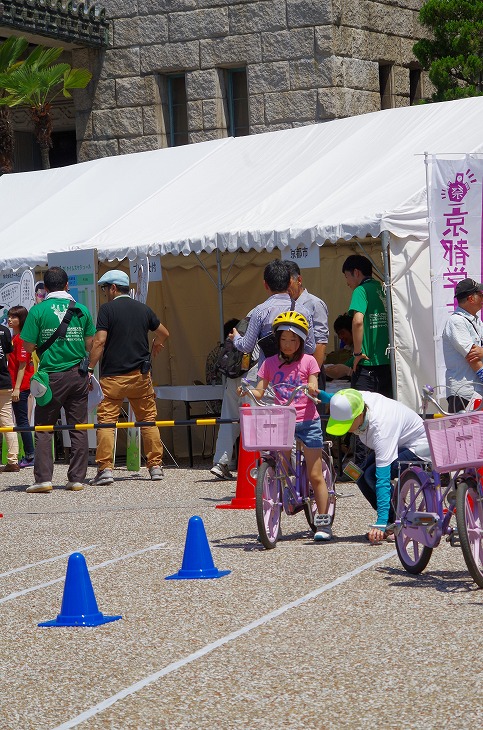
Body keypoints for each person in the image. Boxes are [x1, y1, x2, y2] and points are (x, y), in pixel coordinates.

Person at [246, 311, 332, 541]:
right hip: (281, 420)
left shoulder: (309, 361)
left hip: (307, 421)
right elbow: (260, 390)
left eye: (293, 340)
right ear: (277, 339)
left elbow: (313, 381)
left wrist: (312, 388)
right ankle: (276, 517)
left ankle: (323, 521)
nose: (288, 344)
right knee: (280, 471)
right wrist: (247, 390)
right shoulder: (270, 363)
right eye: (283, 339)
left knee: (315, 475)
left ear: (301, 341)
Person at [87, 270, 169, 485]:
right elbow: (164, 333)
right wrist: (157, 344)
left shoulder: (107, 310)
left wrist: (89, 368)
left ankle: (105, 469)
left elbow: (99, 341)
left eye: (105, 288)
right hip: (140, 376)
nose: (105, 293)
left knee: (106, 422)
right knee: (148, 420)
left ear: (113, 288)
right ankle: (156, 467)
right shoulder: (143, 309)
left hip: (113, 378)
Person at [21, 266, 96, 492]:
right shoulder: (81, 309)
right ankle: (76, 479)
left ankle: (44, 479)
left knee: (44, 427)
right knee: (79, 426)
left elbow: (27, 345)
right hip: (78, 374)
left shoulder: (38, 311)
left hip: (51, 376)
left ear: (44, 288)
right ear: (66, 285)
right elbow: (90, 342)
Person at [326, 388, 430, 544]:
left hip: (419, 447)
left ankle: (392, 522)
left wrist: (380, 523)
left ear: (360, 415)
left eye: (346, 424)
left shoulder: (381, 426)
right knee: (360, 475)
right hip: (399, 442)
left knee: (372, 475)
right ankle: (392, 517)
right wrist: (320, 393)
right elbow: (338, 399)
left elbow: (382, 479)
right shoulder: (355, 399)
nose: (346, 429)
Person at [342, 254, 392, 467]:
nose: (347, 283)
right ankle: (383, 461)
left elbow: (358, 321)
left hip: (368, 364)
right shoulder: (383, 288)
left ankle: (362, 466)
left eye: (347, 277)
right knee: (384, 416)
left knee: (360, 416)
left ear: (356, 272)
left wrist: (356, 353)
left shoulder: (361, 291)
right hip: (388, 363)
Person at [230, 259, 315, 365]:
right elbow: (310, 348)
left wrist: (236, 338)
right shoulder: (303, 311)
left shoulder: (260, 311)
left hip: (269, 376)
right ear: (289, 283)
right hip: (296, 376)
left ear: (265, 285)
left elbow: (246, 346)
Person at [209, 317, 245, 480]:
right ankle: (257, 464)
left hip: (233, 378)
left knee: (228, 421)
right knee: (256, 422)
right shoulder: (265, 316)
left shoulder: (253, 315)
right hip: (253, 376)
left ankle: (221, 463)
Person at [286, 260, 329, 393]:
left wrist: (312, 377)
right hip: (289, 372)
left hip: (310, 373)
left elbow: (320, 342)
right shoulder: (283, 304)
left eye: (288, 283)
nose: (285, 288)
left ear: (299, 280)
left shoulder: (315, 304)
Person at [443, 278, 483, 412]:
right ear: (471, 298)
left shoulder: (477, 321)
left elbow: (479, 352)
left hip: (477, 390)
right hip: (463, 392)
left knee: (477, 432)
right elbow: (472, 356)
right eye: (481, 294)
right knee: (462, 432)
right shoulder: (456, 321)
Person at [7, 305, 35, 468]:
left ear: (21, 319)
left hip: (22, 385)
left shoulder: (22, 338)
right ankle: (29, 454)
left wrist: (17, 388)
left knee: (22, 420)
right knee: (20, 419)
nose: (10, 319)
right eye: (9, 316)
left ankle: (31, 455)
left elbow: (23, 365)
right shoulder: (14, 337)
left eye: (14, 317)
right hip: (16, 384)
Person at [0, 320, 19, 472]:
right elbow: (8, 354)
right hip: (4, 380)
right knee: (7, 421)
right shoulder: (5, 331)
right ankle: (13, 460)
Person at [324, 312, 354, 381]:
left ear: (353, 330)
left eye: (342, 333)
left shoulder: (363, 349)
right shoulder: (347, 348)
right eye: (338, 334)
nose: (340, 337)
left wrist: (347, 370)